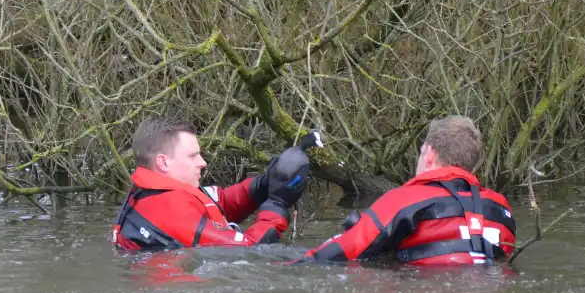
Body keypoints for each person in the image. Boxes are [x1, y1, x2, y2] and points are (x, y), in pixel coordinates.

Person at [297, 115, 516, 266]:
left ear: (429, 154)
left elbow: (335, 253)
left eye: (420, 153)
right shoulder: (500, 207)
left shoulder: (403, 200)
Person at [113, 115, 311, 251]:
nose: (203, 163)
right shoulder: (172, 212)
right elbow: (250, 249)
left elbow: (220, 202)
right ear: (163, 162)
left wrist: (264, 184)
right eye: (193, 156)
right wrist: (278, 204)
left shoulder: (153, 191)